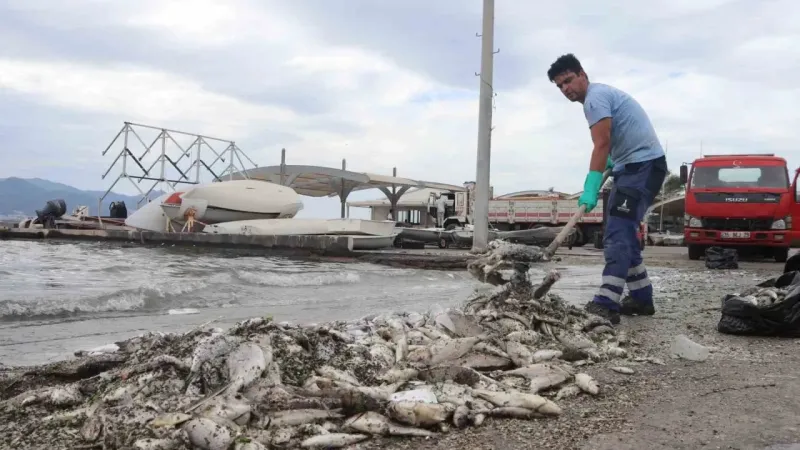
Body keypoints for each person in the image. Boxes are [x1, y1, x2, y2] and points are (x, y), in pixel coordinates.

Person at [547, 53, 668, 325]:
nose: (566, 89)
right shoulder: (598, 97)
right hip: (631, 167)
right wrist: (614, 158)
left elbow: (601, 144)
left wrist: (590, 186)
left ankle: (606, 301)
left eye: (568, 81)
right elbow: (611, 140)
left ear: (582, 74)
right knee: (620, 231)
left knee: (618, 234)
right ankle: (640, 297)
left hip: (642, 167)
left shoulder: (595, 99)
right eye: (560, 86)